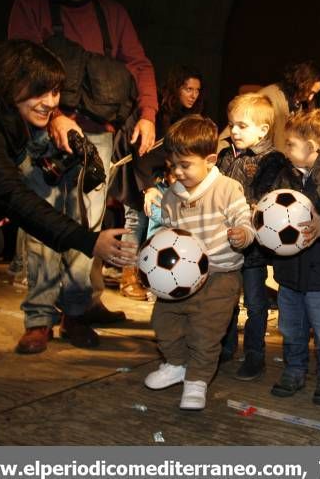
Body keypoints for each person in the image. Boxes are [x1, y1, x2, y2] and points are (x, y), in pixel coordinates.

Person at [7, 0, 158, 350]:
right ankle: (39, 318)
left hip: (99, 137)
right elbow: (19, 63)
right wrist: (53, 116)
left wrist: (147, 115)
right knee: (41, 225)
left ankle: (75, 313)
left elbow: (139, 63)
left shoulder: (112, 13)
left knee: (88, 228)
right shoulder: (30, 6)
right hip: (45, 135)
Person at [0, 40, 136, 298]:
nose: (51, 102)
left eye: (55, 92)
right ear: (9, 82)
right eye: (40, 91)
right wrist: (89, 241)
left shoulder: (4, 116)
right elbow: (8, 192)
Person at [143, 115, 255, 410]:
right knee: (163, 324)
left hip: (220, 277)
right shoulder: (171, 196)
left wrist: (243, 234)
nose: (177, 172)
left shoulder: (227, 189)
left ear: (210, 159)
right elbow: (166, 234)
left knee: (205, 334)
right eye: (173, 166)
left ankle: (197, 380)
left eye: (185, 165)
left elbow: (245, 219)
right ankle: (177, 364)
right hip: (178, 280)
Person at [261, 109, 320, 406]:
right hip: (289, 272)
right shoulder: (284, 176)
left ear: (312, 147)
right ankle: (294, 369)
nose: (285, 150)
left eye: (290, 144)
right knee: (290, 327)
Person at [113, 65, 204, 301]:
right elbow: (141, 150)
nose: (193, 94)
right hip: (136, 172)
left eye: (196, 90)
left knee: (154, 226)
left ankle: (148, 275)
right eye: (188, 88)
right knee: (135, 221)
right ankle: (128, 277)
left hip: (160, 178)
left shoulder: (189, 117)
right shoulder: (156, 113)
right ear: (176, 89)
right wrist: (148, 187)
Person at [216, 93, 285, 381]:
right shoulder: (224, 156)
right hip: (225, 241)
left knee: (255, 303)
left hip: (253, 246)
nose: (234, 131)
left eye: (242, 126)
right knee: (227, 298)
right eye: (232, 125)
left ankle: (254, 353)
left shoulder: (272, 160)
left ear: (263, 130)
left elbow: (263, 197)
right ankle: (226, 345)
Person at [258, 61, 320, 154]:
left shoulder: (297, 104)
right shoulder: (270, 98)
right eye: (310, 91)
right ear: (301, 84)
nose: (310, 98)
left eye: (314, 94)